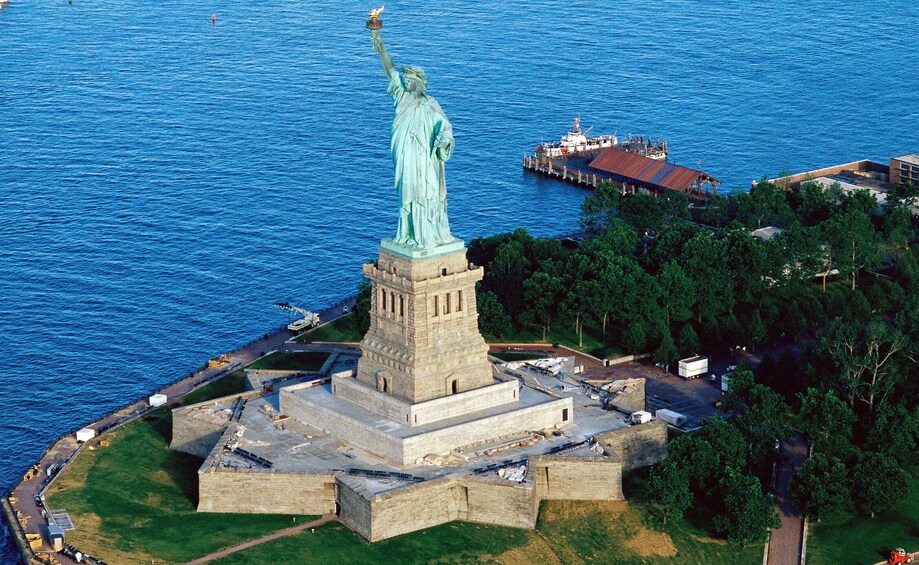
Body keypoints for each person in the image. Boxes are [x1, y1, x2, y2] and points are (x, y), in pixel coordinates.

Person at [370, 29, 454, 249]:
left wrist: (444, 139)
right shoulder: (402, 98)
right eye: (405, 80)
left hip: (425, 158)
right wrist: (380, 43)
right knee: (408, 190)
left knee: (428, 192)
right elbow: (389, 69)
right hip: (406, 155)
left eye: (410, 80)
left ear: (419, 83)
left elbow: (444, 125)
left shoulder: (430, 104)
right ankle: (408, 232)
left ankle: (428, 233)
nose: (406, 83)